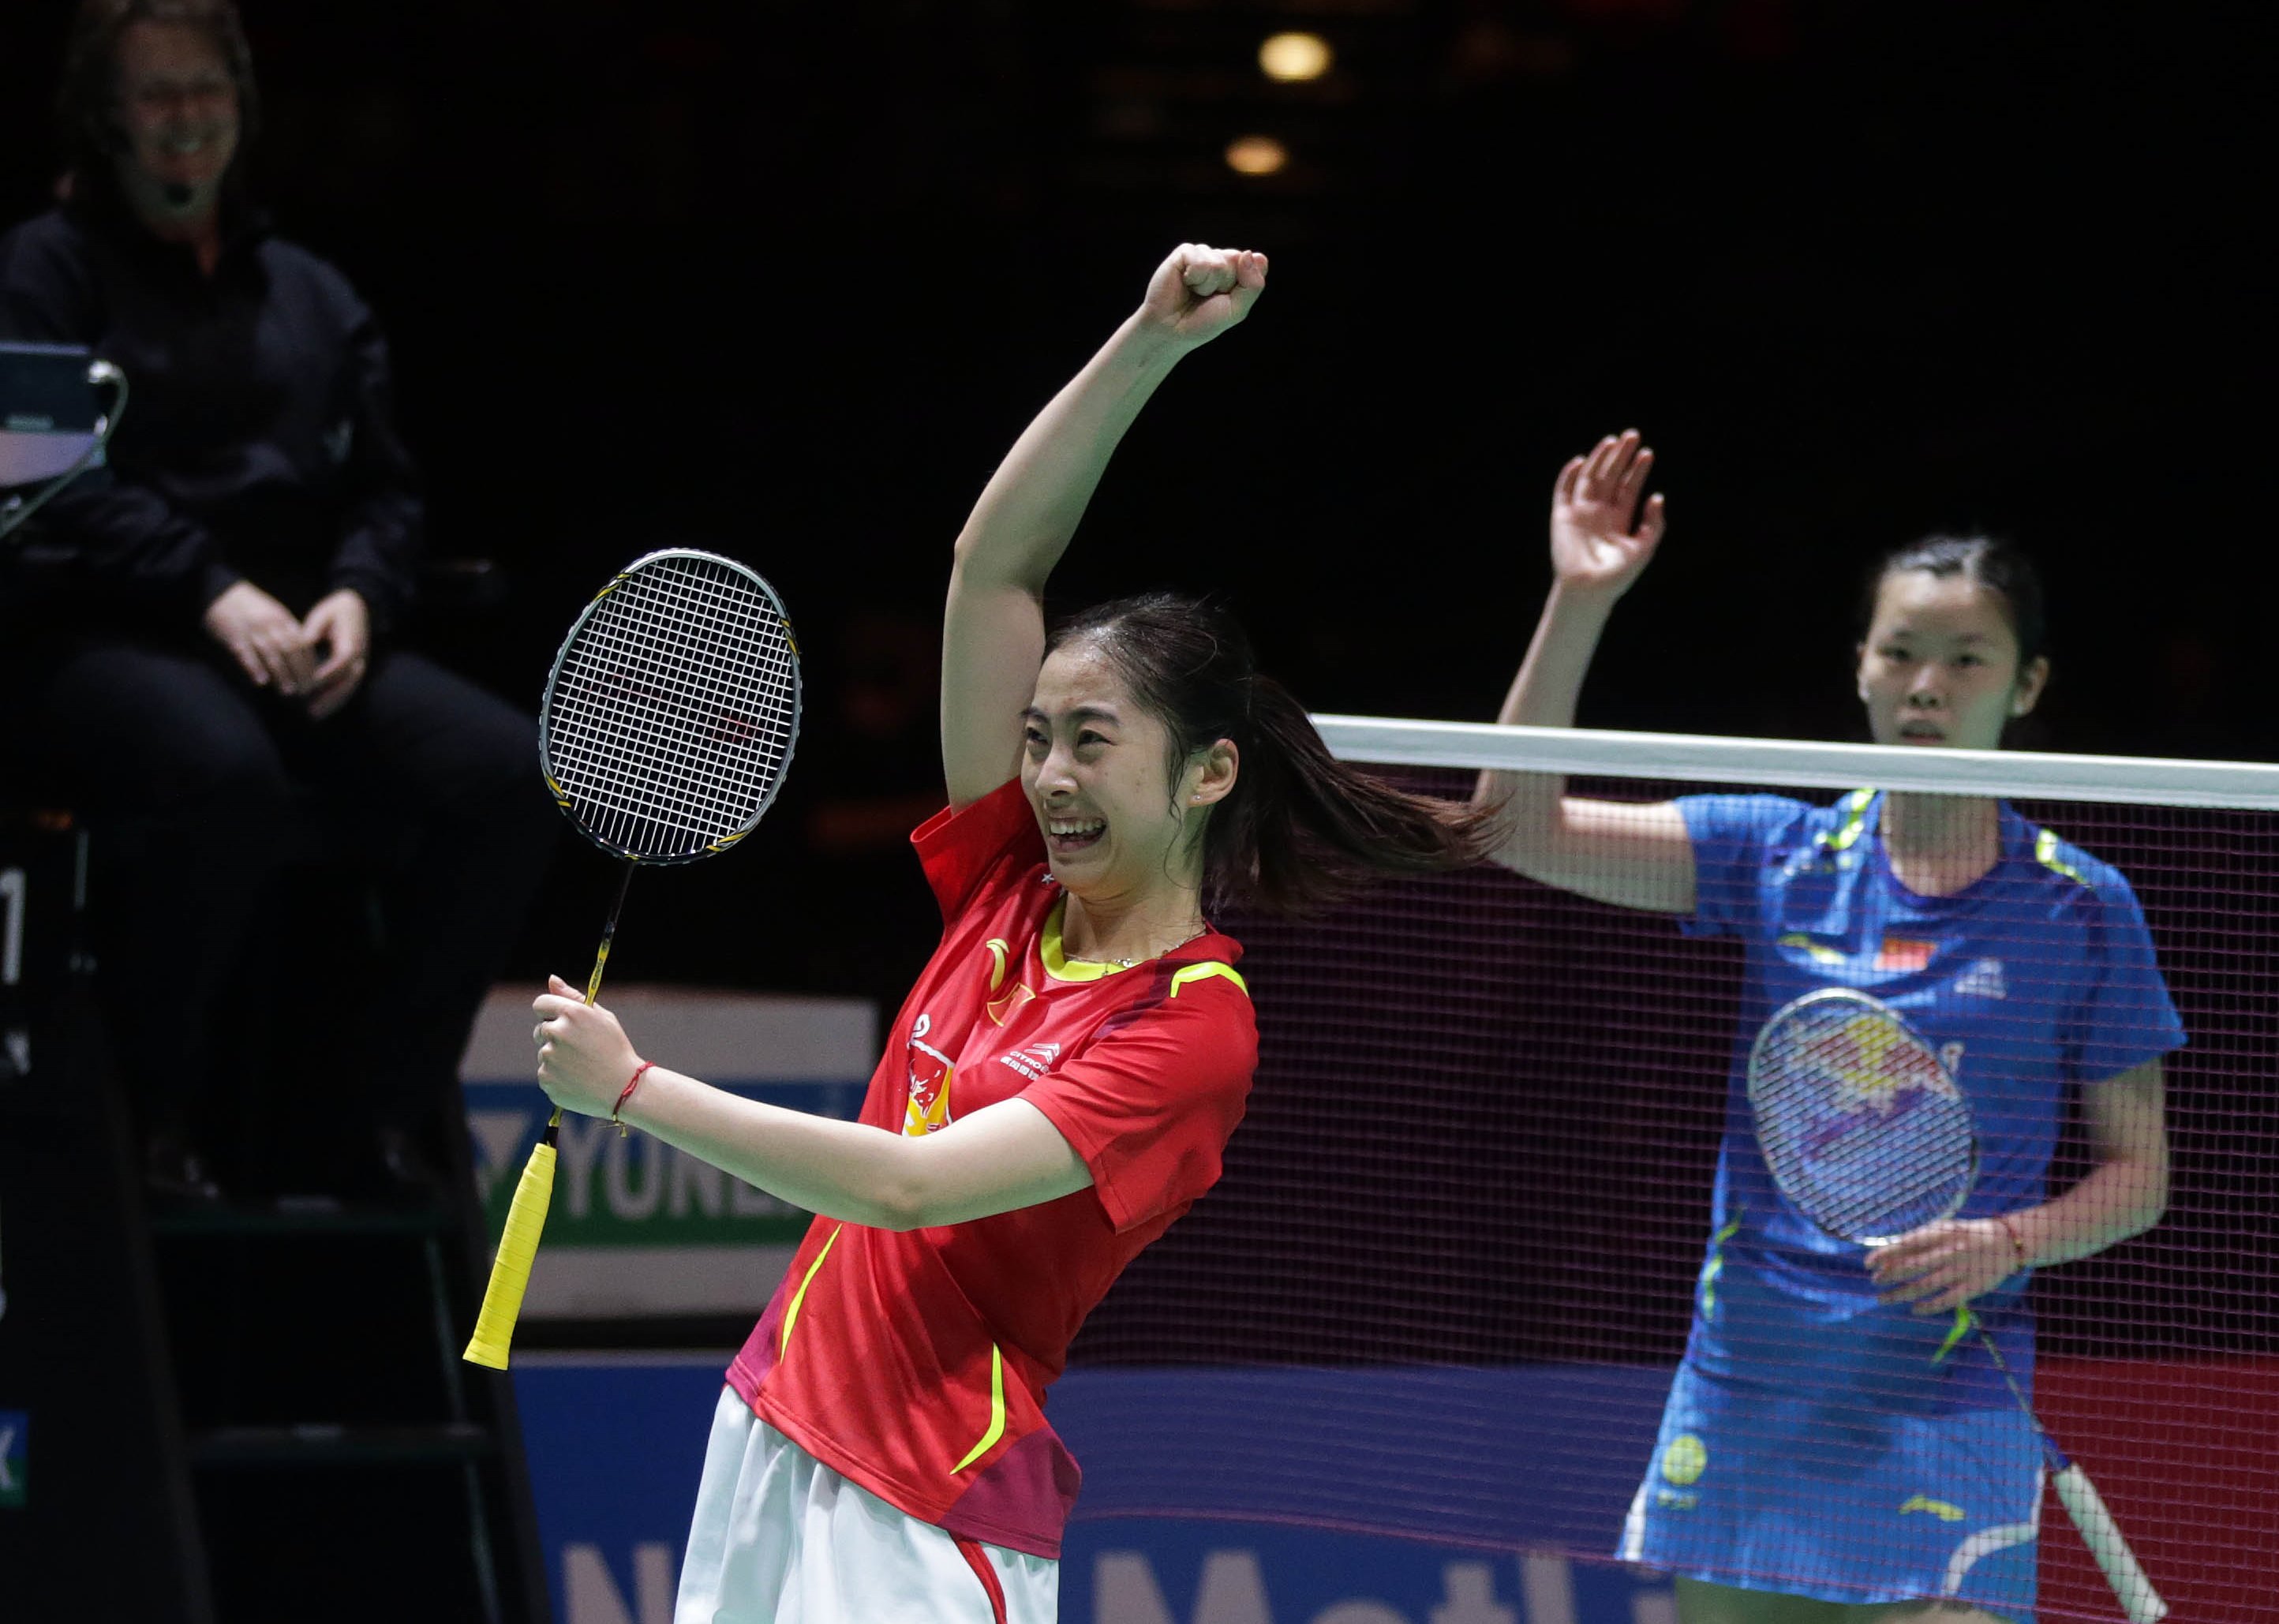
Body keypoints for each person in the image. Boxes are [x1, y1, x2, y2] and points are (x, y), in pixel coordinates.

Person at [531, 245, 1499, 1624]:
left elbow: (909, 1188)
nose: (1046, 774)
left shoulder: (1191, 1029)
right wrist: (1149, 343)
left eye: (1091, 743)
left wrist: (634, 1091)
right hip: (772, 1422)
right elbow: (994, 565)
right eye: (1038, 737)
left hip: (926, 1514)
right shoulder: (1008, 888)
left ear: (1208, 770)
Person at [1476, 432, 2180, 1623]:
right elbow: (1510, 827)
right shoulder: (1782, 857)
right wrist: (1579, 598)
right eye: (1902, 651)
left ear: (2029, 685)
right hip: (1757, 1375)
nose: (1927, 684)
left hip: (1951, 1382)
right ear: (1859, 665)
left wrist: (2012, 1239)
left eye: (1968, 659)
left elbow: (2140, 1175)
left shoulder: (2080, 906)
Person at [0, 0, 555, 1196]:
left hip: (303, 640)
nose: (185, 120)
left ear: (242, 110)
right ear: (106, 121)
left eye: (206, 91)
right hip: (104, 633)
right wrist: (206, 588)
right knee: (226, 777)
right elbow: (43, 487)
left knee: (507, 775)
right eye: (156, 96)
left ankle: (377, 1108)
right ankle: (152, 1110)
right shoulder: (43, 272)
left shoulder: (308, 291)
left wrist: (359, 591)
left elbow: (385, 489)